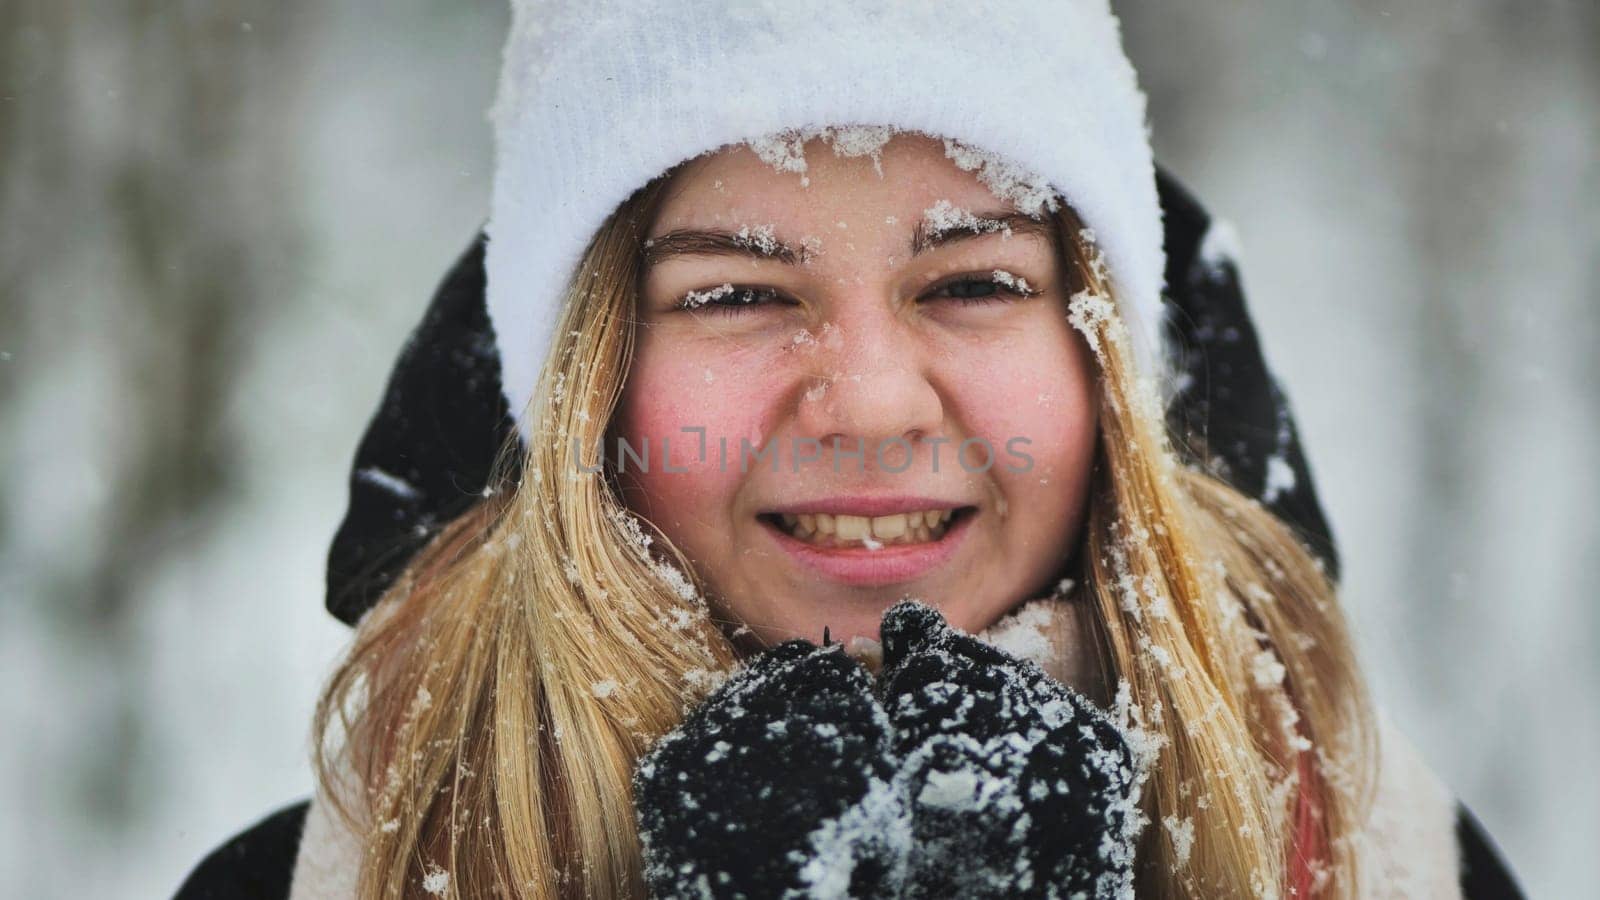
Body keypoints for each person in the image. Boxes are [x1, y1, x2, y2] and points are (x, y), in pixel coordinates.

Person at [175, 2, 1526, 898]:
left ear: (1103, 352)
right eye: (737, 295)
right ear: (588, 382)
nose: (872, 404)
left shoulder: (1390, 864)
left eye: (974, 284)